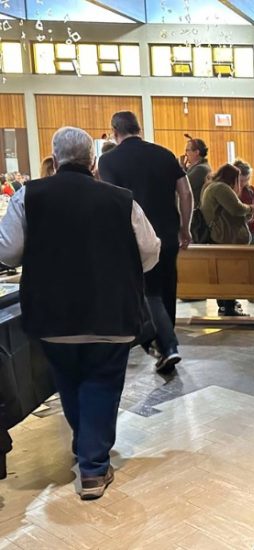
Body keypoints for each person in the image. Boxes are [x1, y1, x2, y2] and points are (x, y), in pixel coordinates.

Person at [0, 126, 160, 500]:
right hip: (110, 311)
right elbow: (150, 251)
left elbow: (6, 252)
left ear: (55, 161)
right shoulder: (121, 200)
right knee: (102, 383)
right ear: (92, 162)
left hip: (53, 312)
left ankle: (86, 447)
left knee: (68, 381)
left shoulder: (28, 197)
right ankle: (92, 465)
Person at [98, 111, 192, 373]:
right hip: (168, 234)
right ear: (138, 128)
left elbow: (111, 202)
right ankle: (166, 344)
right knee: (167, 288)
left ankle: (164, 346)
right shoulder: (164, 154)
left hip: (135, 240)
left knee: (148, 294)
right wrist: (186, 227)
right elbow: (185, 192)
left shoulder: (108, 161)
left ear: (115, 131)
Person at [200, 163, 254, 317]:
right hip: (224, 238)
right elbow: (236, 208)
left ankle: (226, 304)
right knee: (230, 274)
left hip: (220, 235)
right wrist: (250, 209)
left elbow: (229, 213)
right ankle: (228, 306)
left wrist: (248, 215)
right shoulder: (221, 188)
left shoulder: (212, 186)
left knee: (223, 274)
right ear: (232, 178)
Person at [235, 159, 254, 245]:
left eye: (247, 179)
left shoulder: (252, 190)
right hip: (236, 232)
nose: (243, 183)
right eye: (241, 180)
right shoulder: (229, 191)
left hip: (252, 231)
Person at [185, 138, 211, 209]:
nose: (185, 154)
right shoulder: (196, 167)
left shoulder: (201, 169)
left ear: (197, 152)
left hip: (193, 212)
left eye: (187, 150)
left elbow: (182, 186)